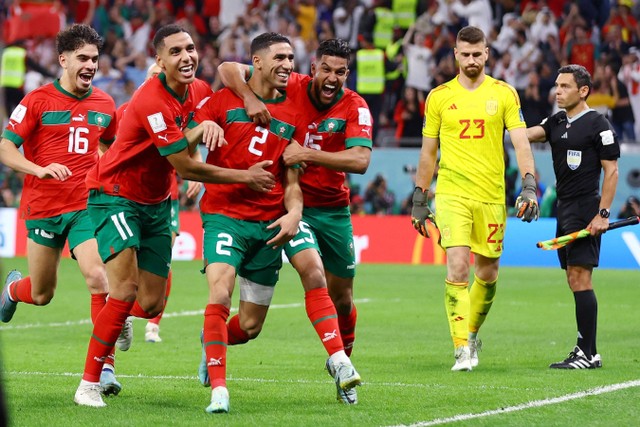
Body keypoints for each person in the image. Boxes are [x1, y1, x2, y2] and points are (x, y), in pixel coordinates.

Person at [73, 24, 276, 408]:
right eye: (176, 51)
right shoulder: (151, 99)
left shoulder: (198, 90)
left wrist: (242, 103)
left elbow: (230, 73)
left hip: (156, 203)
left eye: (191, 49)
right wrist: (243, 175)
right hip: (114, 194)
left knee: (150, 303)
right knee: (124, 290)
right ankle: (88, 383)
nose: (187, 57)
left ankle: (117, 317)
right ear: (159, 61)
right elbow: (183, 164)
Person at [193, 32, 361, 414]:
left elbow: (291, 180)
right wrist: (201, 147)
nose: (289, 64)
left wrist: (295, 212)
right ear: (258, 62)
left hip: (274, 218)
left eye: (291, 58)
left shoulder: (296, 114)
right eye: (281, 58)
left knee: (266, 312)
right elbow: (187, 141)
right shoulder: (222, 99)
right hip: (226, 218)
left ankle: (338, 360)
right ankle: (219, 389)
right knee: (219, 291)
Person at [0, 23, 128, 395]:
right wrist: (39, 168)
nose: (91, 65)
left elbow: (110, 146)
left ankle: (104, 368)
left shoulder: (105, 105)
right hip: (42, 207)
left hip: (85, 205)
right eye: (83, 58)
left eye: (95, 59)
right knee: (42, 294)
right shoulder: (37, 100)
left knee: (98, 277)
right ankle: (12, 291)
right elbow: (6, 148)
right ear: (63, 59)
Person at [411, 26, 539, 372]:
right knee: (457, 265)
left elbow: (521, 142)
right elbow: (428, 153)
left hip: (492, 195)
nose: (471, 60)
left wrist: (529, 184)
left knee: (489, 271)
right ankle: (460, 349)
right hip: (451, 193)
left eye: (477, 54)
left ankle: (471, 333)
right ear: (455, 54)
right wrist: (420, 198)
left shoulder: (505, 94)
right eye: (464, 54)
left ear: (486, 54)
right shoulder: (438, 96)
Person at [526, 64, 620, 369]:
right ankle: (588, 352)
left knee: (581, 278)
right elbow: (526, 135)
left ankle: (587, 353)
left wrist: (602, 214)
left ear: (583, 91)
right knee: (572, 277)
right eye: (557, 85)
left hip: (585, 207)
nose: (558, 91)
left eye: (565, 86)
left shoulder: (598, 124)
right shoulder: (556, 122)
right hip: (564, 209)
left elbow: (612, 171)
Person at [113, 63, 203, 344]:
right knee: (133, 264)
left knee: (164, 257)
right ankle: (122, 312)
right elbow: (111, 147)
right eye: (153, 76)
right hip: (129, 196)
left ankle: (152, 323)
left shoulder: (177, 108)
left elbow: (190, 145)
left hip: (165, 196)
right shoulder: (125, 111)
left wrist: (196, 169)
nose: (159, 81)